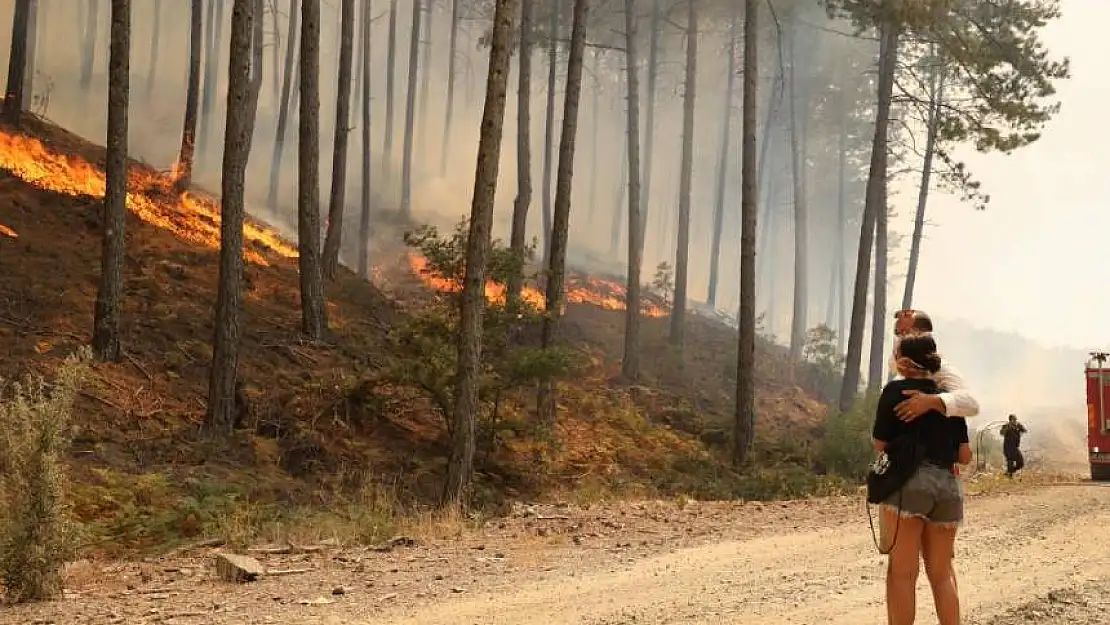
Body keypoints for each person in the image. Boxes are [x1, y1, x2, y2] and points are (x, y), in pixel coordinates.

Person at [873, 332, 970, 625]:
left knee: (902, 574)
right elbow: (964, 455)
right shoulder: (947, 400)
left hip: (908, 485)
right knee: (942, 575)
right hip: (948, 488)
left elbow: (879, 444)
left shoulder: (894, 392)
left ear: (904, 362)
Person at [890, 309, 980, 424]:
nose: (900, 339)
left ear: (922, 334)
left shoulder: (942, 369)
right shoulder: (898, 379)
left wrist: (931, 401)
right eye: (898, 334)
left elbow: (971, 404)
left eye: (905, 332)